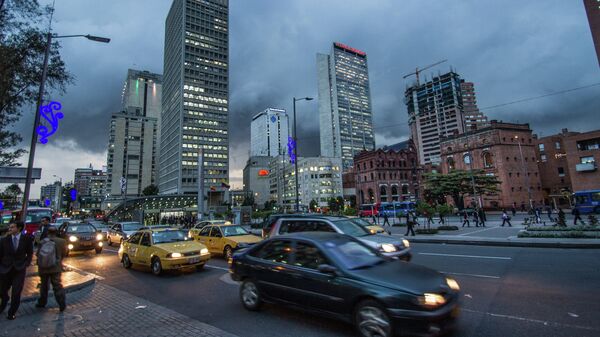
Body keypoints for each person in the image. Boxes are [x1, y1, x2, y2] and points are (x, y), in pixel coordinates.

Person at [0, 221, 34, 320]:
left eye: (12, 227)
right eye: (9, 227)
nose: (9, 229)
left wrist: (26, 263)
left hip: (19, 269)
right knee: (2, 290)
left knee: (16, 292)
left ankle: (12, 312)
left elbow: (30, 252)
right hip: (5, 269)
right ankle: (4, 301)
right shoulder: (4, 240)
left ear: (19, 228)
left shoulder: (26, 239)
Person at [36, 226, 66, 311]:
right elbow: (64, 253)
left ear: (48, 233)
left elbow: (38, 254)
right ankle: (61, 303)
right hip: (56, 267)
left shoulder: (42, 242)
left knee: (44, 286)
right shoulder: (62, 241)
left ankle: (42, 302)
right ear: (56, 232)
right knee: (57, 285)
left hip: (43, 267)